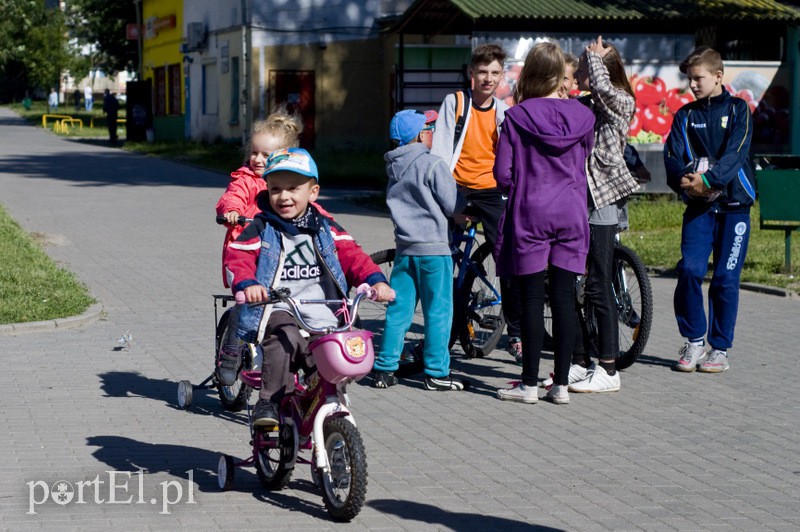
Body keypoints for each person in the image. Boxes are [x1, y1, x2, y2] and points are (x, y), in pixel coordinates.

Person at [223, 148, 394, 426]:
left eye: (293, 188)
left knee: (329, 356)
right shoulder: (262, 226)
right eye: (276, 189)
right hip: (278, 306)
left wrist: (375, 281)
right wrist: (249, 283)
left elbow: (352, 255)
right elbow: (239, 256)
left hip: (324, 309)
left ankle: (326, 408)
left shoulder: (324, 226)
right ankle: (270, 401)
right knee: (284, 338)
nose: (284, 196)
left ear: (313, 192)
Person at [493, 42, 596, 405]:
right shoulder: (583, 116)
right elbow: (586, 157)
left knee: (533, 300)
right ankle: (563, 385)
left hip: (530, 212)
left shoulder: (517, 117)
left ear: (532, 74)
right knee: (565, 299)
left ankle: (529, 385)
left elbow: (503, 176)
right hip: (571, 213)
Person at [430, 42, 523, 364]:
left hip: (491, 190)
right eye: (482, 72)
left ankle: (516, 331)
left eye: (495, 73)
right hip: (455, 186)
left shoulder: (504, 112)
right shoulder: (454, 103)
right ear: (471, 72)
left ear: (502, 76)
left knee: (507, 258)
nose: (488, 78)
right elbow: (439, 155)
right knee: (437, 255)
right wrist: (449, 203)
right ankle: (440, 330)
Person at [664, 46, 755, 373]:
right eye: (689, 80)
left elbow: (736, 154)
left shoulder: (739, 108)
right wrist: (686, 182)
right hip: (699, 210)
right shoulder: (685, 115)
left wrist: (710, 180)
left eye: (698, 78)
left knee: (725, 279)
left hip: (735, 210)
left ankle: (719, 349)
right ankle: (694, 341)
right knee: (689, 270)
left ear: (718, 76)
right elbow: (672, 158)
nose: (693, 85)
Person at [565, 36, 640, 394]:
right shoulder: (589, 105)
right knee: (567, 283)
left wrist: (594, 59)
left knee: (598, 283)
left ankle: (609, 368)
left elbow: (606, 92)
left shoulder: (621, 101)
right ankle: (581, 360)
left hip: (602, 205)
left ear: (600, 72)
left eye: (584, 66)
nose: (579, 72)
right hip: (577, 203)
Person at [372, 109, 467, 391]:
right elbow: (451, 205)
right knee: (438, 312)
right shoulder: (433, 165)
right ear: (421, 135)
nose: (433, 133)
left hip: (404, 251)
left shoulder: (394, 168)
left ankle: (385, 369)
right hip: (435, 252)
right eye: (431, 128)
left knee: (398, 310)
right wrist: (463, 204)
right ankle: (437, 372)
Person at [214, 106, 304, 386]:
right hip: (244, 255)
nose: (257, 159)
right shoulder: (246, 180)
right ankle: (230, 352)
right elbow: (233, 196)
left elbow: (308, 204)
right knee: (245, 307)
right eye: (254, 152)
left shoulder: (285, 183)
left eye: (265, 155)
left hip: (278, 256)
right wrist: (231, 210)